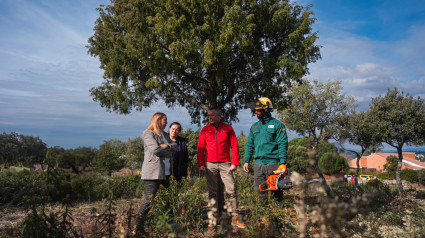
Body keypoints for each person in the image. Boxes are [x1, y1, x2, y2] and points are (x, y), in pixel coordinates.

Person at [197, 108, 245, 228]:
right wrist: (201, 164)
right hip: (209, 164)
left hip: (225, 164)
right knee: (212, 191)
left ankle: (234, 216)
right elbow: (200, 147)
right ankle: (214, 217)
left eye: (212, 115)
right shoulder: (205, 129)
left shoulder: (228, 129)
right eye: (209, 115)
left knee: (231, 189)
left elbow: (234, 145)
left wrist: (235, 162)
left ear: (219, 116)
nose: (210, 117)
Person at [136, 112, 178, 226]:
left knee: (169, 198)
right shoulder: (148, 134)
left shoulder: (164, 134)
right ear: (158, 120)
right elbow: (156, 150)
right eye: (165, 120)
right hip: (153, 172)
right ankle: (138, 225)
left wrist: (168, 146)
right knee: (150, 199)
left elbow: (175, 145)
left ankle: (170, 225)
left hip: (167, 172)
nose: (166, 123)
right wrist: (169, 152)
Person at [243, 97, 288, 202]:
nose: (256, 112)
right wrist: (246, 160)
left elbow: (283, 144)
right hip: (258, 165)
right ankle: (261, 217)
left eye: (259, 109)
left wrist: (282, 163)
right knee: (259, 194)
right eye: (256, 110)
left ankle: (278, 216)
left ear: (266, 109)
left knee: (276, 194)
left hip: (274, 164)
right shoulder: (254, 127)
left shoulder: (278, 125)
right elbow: (249, 145)